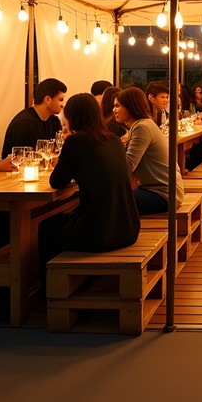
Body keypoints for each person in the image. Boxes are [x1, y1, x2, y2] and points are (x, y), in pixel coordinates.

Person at [38, 93, 140, 273]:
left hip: (101, 233)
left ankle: (44, 289)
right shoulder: (113, 140)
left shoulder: (76, 141)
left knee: (45, 227)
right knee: (63, 220)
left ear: (72, 117)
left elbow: (57, 181)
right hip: (128, 228)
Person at [114, 86, 185, 214]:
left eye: (118, 106)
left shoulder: (141, 127)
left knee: (108, 201)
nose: (114, 110)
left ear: (130, 106)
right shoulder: (144, 124)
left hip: (163, 194)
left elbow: (127, 166)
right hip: (164, 191)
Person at [2, 78, 66, 156]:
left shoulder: (54, 121)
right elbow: (25, 159)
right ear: (48, 100)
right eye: (61, 100)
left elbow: (58, 151)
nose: (63, 105)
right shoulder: (25, 123)